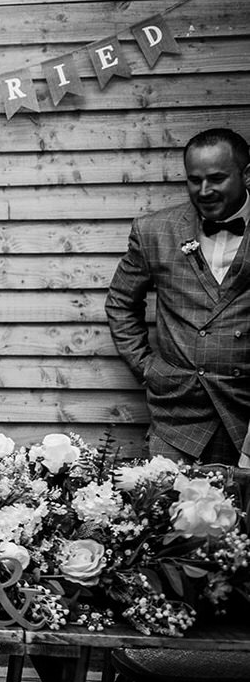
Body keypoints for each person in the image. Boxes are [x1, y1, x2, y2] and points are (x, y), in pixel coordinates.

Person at [106, 127, 250, 466]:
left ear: (246, 174)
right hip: (177, 416)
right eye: (194, 180)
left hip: (244, 412)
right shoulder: (154, 231)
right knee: (168, 514)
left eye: (216, 178)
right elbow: (121, 302)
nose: (204, 191)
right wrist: (148, 367)